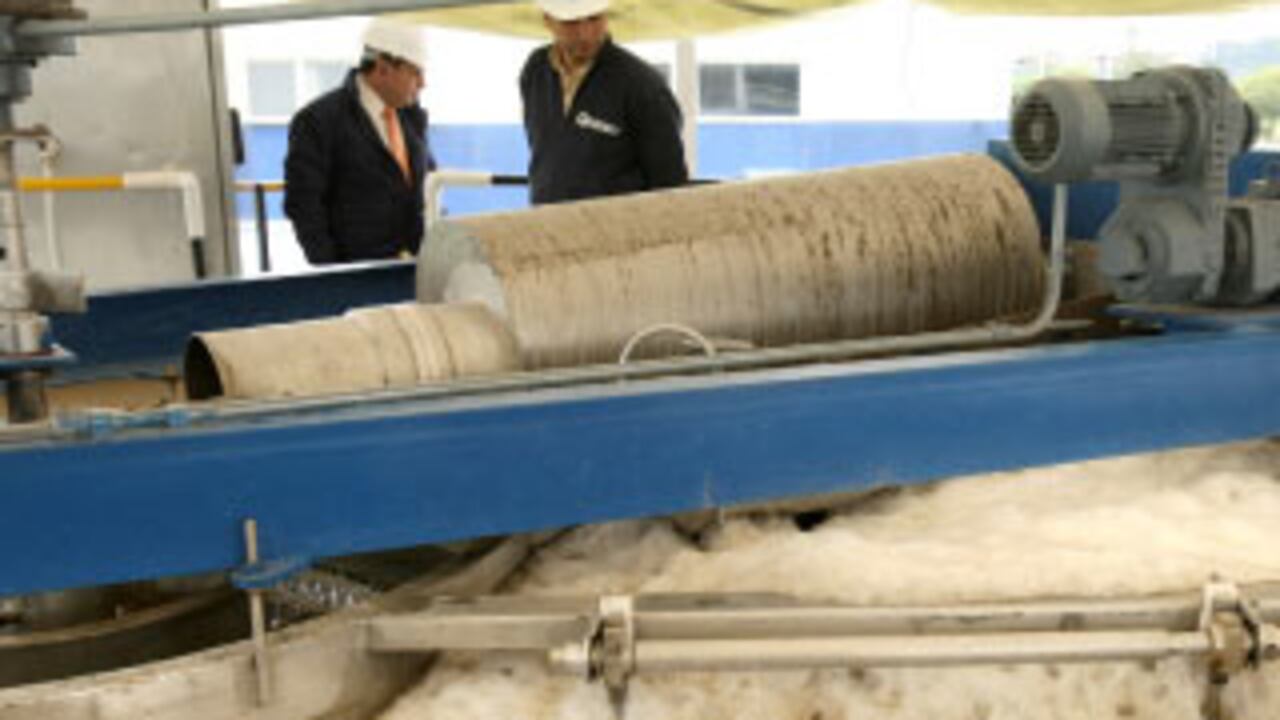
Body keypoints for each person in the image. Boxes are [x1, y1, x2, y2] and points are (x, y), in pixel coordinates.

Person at [284, 18, 437, 264]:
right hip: (356, 278)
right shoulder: (318, 121)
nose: (423, 83)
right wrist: (331, 276)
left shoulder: (411, 118)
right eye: (415, 72)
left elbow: (425, 190)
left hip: (412, 271)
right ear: (382, 68)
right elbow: (304, 205)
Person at [520, 0, 688, 205]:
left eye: (594, 19)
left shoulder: (642, 86)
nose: (585, 34)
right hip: (546, 224)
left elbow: (670, 185)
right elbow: (544, 152)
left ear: (606, 15)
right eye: (571, 22)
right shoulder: (536, 69)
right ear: (548, 20)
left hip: (616, 231)